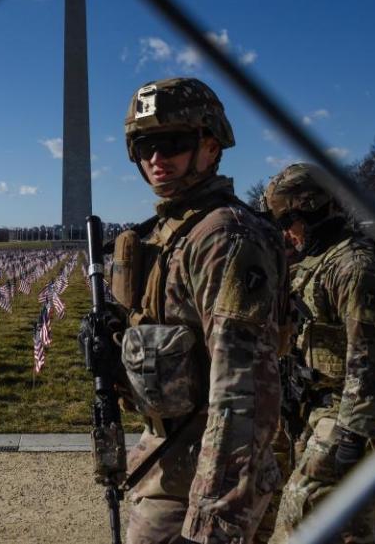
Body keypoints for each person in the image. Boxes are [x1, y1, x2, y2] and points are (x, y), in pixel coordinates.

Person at [109, 77, 289, 544]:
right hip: (171, 455)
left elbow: (244, 391)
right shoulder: (172, 231)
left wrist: (212, 520)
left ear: (211, 146)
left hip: (206, 470)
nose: (156, 158)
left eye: (172, 142)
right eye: (144, 145)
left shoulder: (224, 237)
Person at [255, 163, 375, 544]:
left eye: (286, 222)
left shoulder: (355, 265)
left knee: (306, 506)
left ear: (307, 213)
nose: (285, 234)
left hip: (345, 406)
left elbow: (371, 356)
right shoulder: (314, 260)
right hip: (307, 400)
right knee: (262, 492)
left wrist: (354, 433)